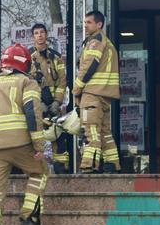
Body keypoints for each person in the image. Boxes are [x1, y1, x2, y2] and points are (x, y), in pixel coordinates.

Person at [0, 43, 48, 225]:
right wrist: (39, 145)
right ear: (24, 64)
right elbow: (32, 115)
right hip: (21, 143)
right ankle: (29, 217)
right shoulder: (27, 82)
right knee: (40, 172)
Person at [73, 11, 121, 173]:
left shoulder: (95, 42)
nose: (85, 25)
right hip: (104, 96)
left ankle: (89, 165)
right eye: (84, 22)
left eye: (89, 22)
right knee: (104, 132)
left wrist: (76, 89)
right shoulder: (107, 43)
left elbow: (88, 67)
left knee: (90, 130)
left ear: (99, 24)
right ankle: (112, 164)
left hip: (92, 94)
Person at [28, 23, 69, 173]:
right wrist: (38, 101)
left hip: (53, 106)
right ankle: (35, 170)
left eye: (42, 32)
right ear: (33, 37)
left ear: (46, 34)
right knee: (36, 137)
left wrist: (57, 102)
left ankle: (60, 170)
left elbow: (62, 81)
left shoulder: (55, 57)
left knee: (58, 137)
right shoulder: (28, 58)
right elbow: (27, 83)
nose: (39, 35)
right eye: (36, 33)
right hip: (37, 105)